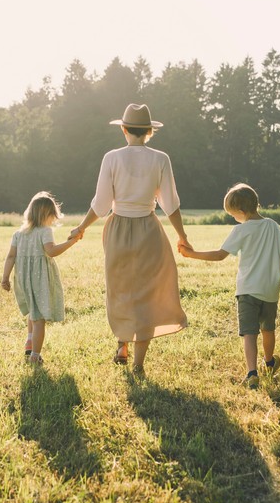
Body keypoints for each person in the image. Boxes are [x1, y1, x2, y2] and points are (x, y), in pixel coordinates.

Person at [70, 103, 190, 375]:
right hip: (149, 230)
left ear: (124, 130)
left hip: (118, 230)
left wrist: (81, 227)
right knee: (146, 293)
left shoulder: (111, 158)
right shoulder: (161, 159)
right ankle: (138, 364)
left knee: (121, 289)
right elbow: (170, 204)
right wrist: (183, 236)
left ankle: (122, 343)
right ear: (149, 131)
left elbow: (101, 204)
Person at [178, 183, 280, 389]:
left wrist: (191, 254)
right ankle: (269, 362)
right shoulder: (273, 226)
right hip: (270, 289)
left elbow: (220, 255)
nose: (233, 218)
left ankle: (252, 373)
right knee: (268, 329)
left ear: (241, 212)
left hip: (247, 289)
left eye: (233, 215)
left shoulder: (241, 230)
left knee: (249, 333)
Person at [1, 191, 81, 364]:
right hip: (40, 278)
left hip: (23, 278)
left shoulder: (18, 233)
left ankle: (29, 342)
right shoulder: (45, 231)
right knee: (39, 320)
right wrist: (72, 242)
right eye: (53, 216)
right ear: (47, 214)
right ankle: (35, 356)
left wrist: (5, 277)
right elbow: (51, 251)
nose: (53, 220)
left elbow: (10, 257)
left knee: (33, 311)